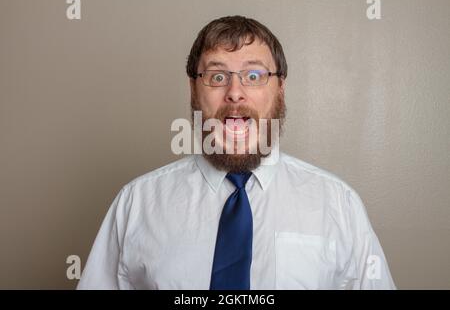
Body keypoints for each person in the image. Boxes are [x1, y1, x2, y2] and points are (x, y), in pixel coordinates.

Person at [77, 15, 396, 290]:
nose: (235, 93)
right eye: (217, 77)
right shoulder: (136, 204)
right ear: (193, 89)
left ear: (280, 89)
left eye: (254, 76)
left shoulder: (339, 206)